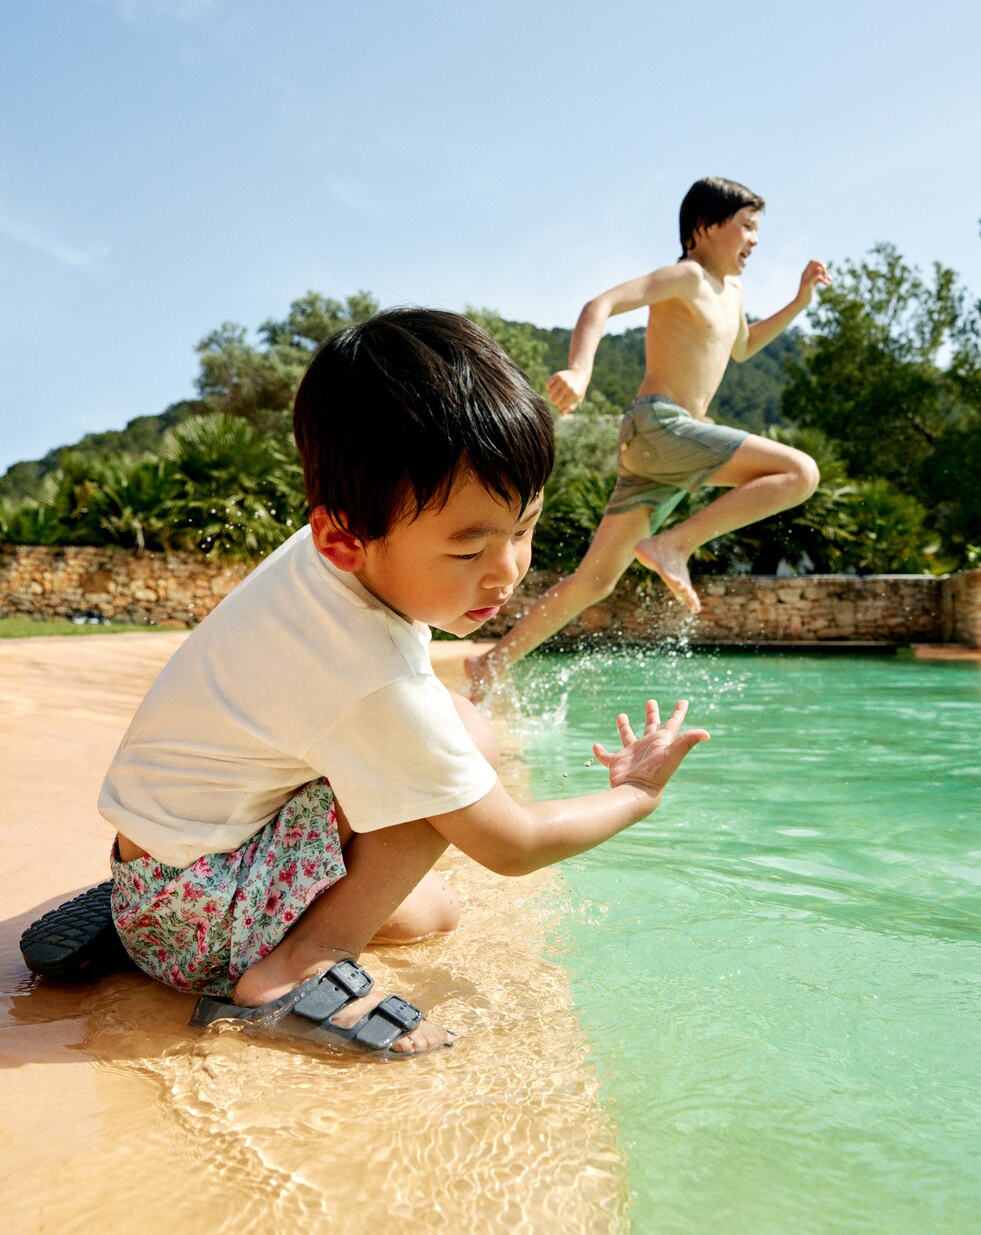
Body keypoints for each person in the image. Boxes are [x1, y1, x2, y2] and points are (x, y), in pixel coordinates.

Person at [87, 308, 708, 1059]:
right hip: (192, 917)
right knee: (460, 737)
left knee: (429, 913)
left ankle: (255, 921)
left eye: (523, 527)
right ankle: (294, 968)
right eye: (468, 545)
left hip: (153, 871)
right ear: (344, 538)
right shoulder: (370, 671)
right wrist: (635, 795)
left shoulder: (325, 560)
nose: (508, 569)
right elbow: (513, 847)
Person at [467, 177, 831, 699]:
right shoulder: (686, 277)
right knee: (799, 472)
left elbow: (745, 347)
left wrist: (799, 301)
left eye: (757, 229)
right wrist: (580, 371)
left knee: (593, 583)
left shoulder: (732, 293)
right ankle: (672, 545)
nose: (755, 240)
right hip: (661, 426)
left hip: (664, 450)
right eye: (747, 226)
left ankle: (492, 663)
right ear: (703, 228)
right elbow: (600, 305)